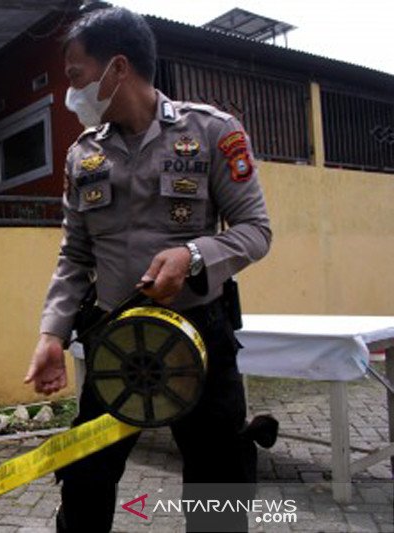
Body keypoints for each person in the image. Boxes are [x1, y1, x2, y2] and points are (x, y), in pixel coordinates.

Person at [23, 7, 272, 532]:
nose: (71, 93)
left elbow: (255, 230)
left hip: (200, 337)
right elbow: (75, 257)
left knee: (218, 487)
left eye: (74, 76)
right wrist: (52, 333)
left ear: (117, 68)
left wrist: (194, 255)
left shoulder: (211, 132)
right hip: (116, 344)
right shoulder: (82, 157)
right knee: (85, 478)